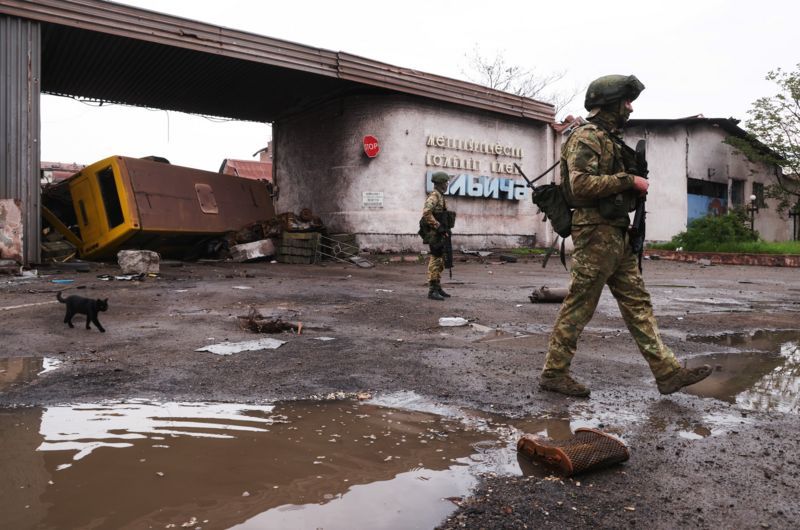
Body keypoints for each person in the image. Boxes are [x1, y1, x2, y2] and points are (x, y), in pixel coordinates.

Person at [539, 74, 711, 397]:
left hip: (616, 233)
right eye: (626, 102)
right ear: (609, 104)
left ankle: (667, 372)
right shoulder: (587, 137)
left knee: (638, 304)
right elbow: (580, 185)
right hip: (594, 234)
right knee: (580, 305)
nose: (630, 108)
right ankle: (554, 373)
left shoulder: (609, 138)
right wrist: (628, 181)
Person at [422, 171, 452, 301]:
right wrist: (437, 226)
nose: (447, 184)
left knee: (440, 261)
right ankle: (432, 290)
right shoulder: (434, 196)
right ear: (440, 183)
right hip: (435, 234)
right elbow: (426, 212)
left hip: (440, 233)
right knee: (435, 260)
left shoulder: (440, 195)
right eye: (445, 182)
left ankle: (438, 287)